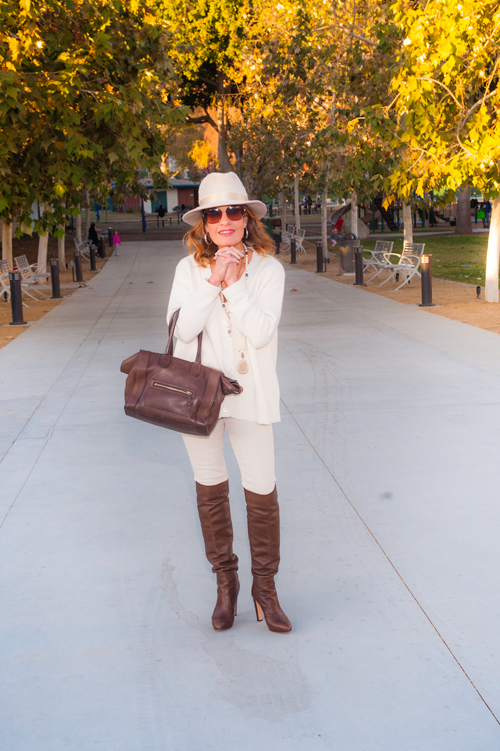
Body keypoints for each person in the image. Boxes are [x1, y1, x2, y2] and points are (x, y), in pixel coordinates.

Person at [167, 172, 292, 634]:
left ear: (247, 219)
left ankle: (266, 589)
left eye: (233, 211)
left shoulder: (269, 270)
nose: (224, 220)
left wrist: (235, 284)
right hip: (199, 398)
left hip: (251, 396)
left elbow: (260, 332)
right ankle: (226, 585)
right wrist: (213, 279)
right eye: (213, 213)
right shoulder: (188, 270)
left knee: (262, 490)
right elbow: (182, 330)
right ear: (202, 222)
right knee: (210, 489)